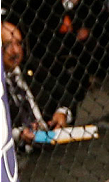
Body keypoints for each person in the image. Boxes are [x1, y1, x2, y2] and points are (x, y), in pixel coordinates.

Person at [2, 20, 77, 152]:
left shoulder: (31, 67)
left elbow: (66, 95)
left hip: (52, 140)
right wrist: (18, 135)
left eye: (19, 43)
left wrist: (62, 113)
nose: (16, 51)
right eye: (8, 45)